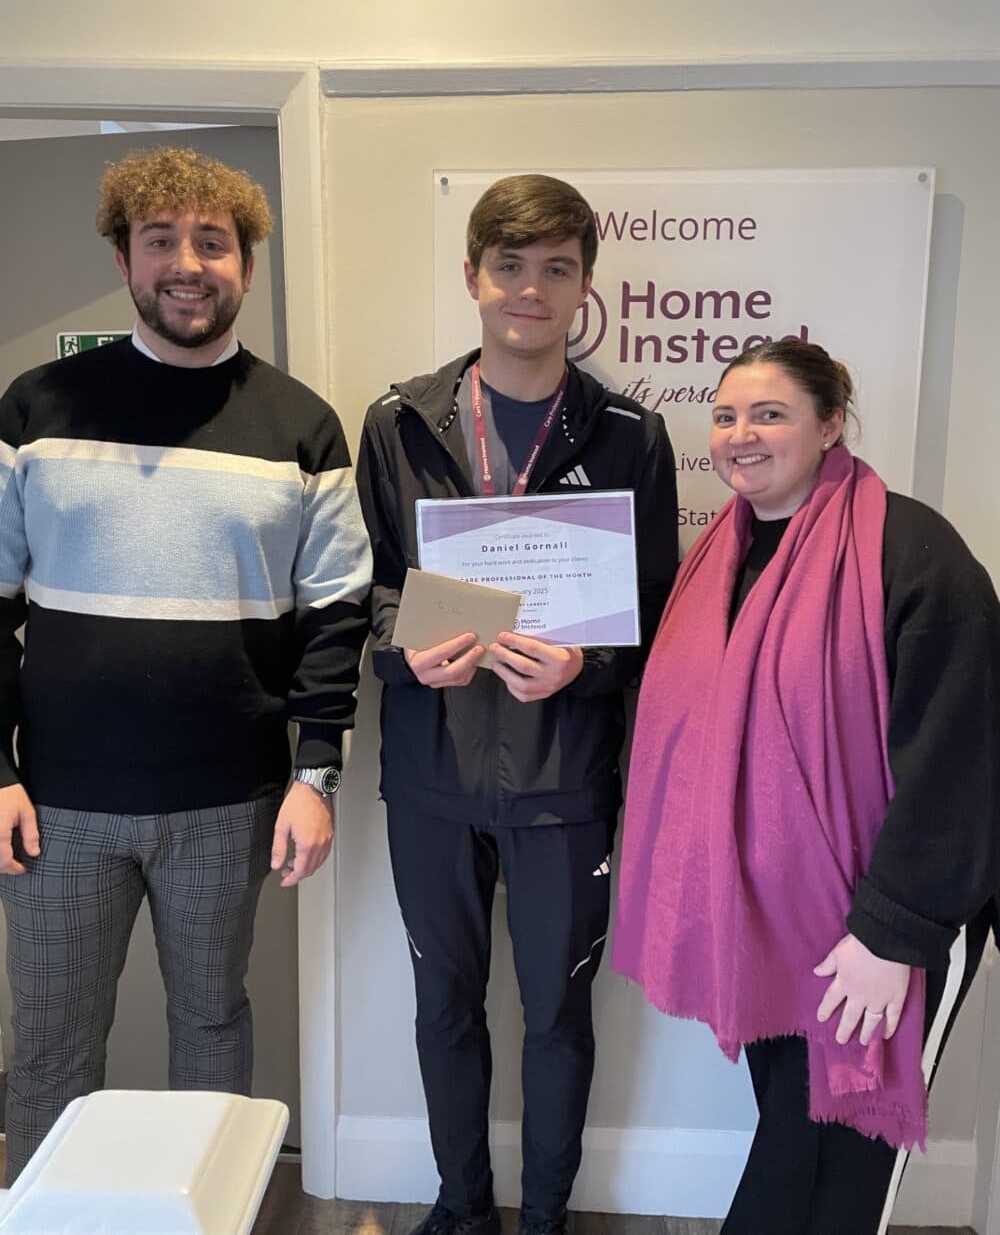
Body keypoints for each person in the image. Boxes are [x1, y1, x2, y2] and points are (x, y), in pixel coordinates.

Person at [0, 145, 372, 1180]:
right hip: (57, 804)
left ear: (245, 263)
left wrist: (316, 774)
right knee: (53, 1051)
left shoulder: (300, 426)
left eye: (213, 241)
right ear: (125, 257)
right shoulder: (35, 408)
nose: (187, 262)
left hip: (229, 799)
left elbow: (336, 615)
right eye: (161, 239)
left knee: (212, 1030)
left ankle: (209, 1211)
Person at [613, 338, 1000, 1234]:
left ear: (831, 424)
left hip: (881, 932)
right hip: (775, 929)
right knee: (796, 1142)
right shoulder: (719, 556)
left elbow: (965, 758)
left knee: (832, 1178)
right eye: (725, 415)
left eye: (770, 413)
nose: (741, 434)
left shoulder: (913, 553)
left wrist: (891, 933)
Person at [357, 174, 678, 1235]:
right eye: (509, 265)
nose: (528, 290)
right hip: (434, 775)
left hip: (563, 779)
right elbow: (368, 593)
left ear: (585, 284)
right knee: (443, 1006)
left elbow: (655, 622)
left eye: (555, 268)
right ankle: (461, 1211)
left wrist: (582, 673)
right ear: (472, 276)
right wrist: (413, 660)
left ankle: (542, 1218)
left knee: (557, 1014)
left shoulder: (630, 432)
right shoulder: (398, 420)